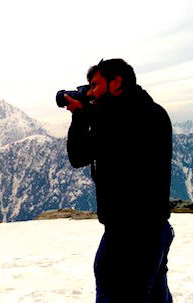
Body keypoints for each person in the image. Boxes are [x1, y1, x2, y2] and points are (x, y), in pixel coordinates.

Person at [65, 59, 175, 302]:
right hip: (153, 229)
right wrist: (89, 112)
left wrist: (80, 116)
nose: (90, 92)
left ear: (115, 83)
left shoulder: (125, 119)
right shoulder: (151, 112)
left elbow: (79, 154)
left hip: (129, 236)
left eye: (94, 85)